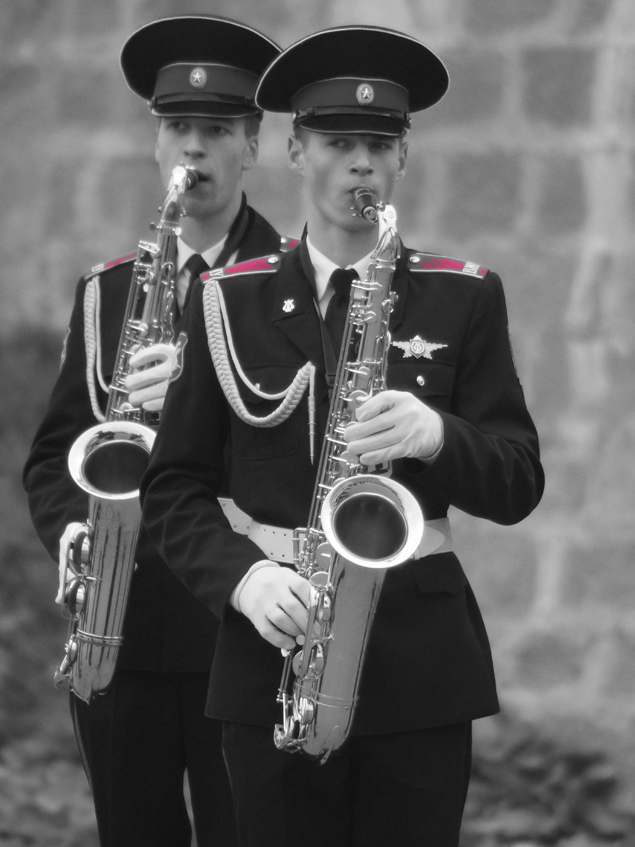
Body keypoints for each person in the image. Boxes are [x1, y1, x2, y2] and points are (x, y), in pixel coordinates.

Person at [139, 25, 545, 847]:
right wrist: (244, 582)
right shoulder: (228, 298)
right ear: (295, 151)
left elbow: (518, 481)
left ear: (403, 158)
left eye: (379, 144)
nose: (360, 163)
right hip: (272, 651)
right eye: (337, 142)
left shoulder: (462, 297)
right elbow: (173, 486)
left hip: (420, 670)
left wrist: (439, 435)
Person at [22, 15, 288, 847]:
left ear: (252, 142)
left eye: (216, 131)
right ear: (155, 141)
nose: (194, 152)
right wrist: (72, 531)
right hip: (120, 623)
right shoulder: (107, 292)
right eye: (179, 128)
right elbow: (54, 457)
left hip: (238, 632)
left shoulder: (293, 287)